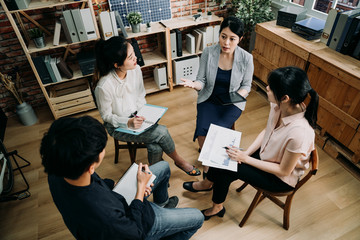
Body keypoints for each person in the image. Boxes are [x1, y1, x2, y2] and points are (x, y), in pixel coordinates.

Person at [183, 66, 319, 220]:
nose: (267, 88)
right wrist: (246, 153)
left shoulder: (300, 133)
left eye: (271, 87)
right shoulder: (280, 105)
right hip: (267, 156)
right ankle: (208, 184)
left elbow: (283, 171)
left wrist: (246, 159)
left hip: (278, 178)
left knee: (226, 167)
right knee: (224, 153)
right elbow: (267, 131)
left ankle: (216, 207)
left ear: (285, 98)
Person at [41, 116, 204, 239]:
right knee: (198, 217)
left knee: (163, 166)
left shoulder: (58, 168)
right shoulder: (103, 215)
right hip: (140, 223)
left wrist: (116, 184)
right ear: (91, 167)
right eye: (102, 149)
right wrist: (140, 191)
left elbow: (98, 184)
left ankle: (162, 204)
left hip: (120, 202)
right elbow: (135, 232)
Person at [93, 36, 200, 176]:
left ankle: (156, 175)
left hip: (138, 115)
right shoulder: (104, 86)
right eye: (130, 57)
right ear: (117, 64)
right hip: (118, 126)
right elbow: (106, 117)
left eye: (134, 53)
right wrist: (128, 122)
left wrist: (143, 113)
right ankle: (179, 161)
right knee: (162, 132)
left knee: (155, 147)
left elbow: (140, 95)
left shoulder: (136, 70)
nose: (136, 58)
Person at [180, 16, 254, 176]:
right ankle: (208, 166)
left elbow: (247, 85)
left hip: (231, 103)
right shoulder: (208, 52)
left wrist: (237, 95)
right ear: (219, 35)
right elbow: (201, 80)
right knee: (202, 129)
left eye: (232, 39)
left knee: (217, 131)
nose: (226, 43)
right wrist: (194, 84)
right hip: (209, 98)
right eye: (223, 37)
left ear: (240, 39)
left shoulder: (247, 58)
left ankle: (213, 165)